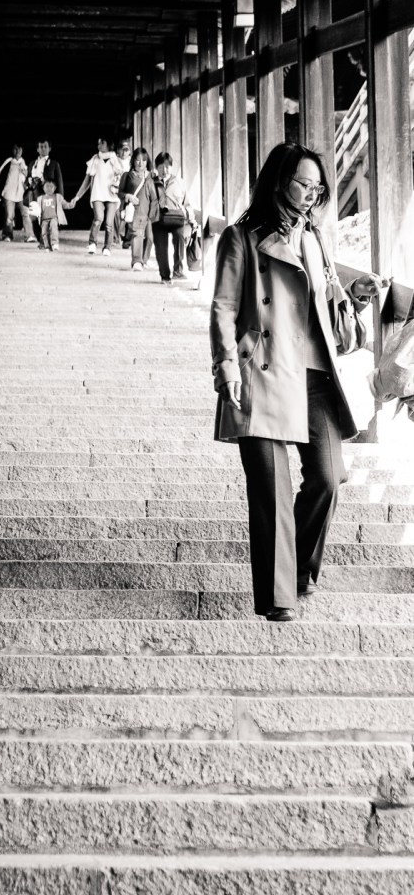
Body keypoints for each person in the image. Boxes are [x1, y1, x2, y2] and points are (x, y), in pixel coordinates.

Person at [210, 141, 387, 622]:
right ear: (277, 181)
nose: (311, 194)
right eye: (302, 183)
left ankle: (301, 569)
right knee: (270, 490)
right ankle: (278, 597)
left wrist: (352, 294)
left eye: (317, 186)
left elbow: (316, 304)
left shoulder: (313, 238)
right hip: (263, 375)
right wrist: (226, 367)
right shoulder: (242, 237)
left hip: (313, 376)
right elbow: (224, 307)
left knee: (330, 476)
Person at [71, 138, 123, 255]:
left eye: (102, 143)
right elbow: (87, 181)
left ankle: (107, 247)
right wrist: (77, 196)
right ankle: (92, 243)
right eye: (98, 142)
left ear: (109, 144)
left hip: (112, 195)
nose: (99, 145)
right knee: (98, 218)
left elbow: (124, 179)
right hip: (98, 193)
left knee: (109, 223)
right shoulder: (95, 159)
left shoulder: (116, 160)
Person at [151, 152, 193, 284]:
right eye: (161, 167)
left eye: (167, 167)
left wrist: (192, 220)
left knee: (180, 241)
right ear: (156, 167)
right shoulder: (151, 183)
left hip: (177, 218)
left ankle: (178, 271)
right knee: (161, 248)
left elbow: (187, 203)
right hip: (158, 219)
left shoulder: (179, 182)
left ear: (172, 167)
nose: (164, 170)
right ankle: (165, 275)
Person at [118, 147, 155, 271]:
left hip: (149, 211)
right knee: (137, 234)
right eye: (138, 160)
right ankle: (136, 261)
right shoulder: (127, 175)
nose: (141, 163)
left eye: (144, 161)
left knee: (150, 237)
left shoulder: (150, 176)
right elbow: (120, 193)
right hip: (135, 211)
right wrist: (127, 196)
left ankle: (144, 260)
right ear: (133, 160)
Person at [0, 145, 36, 242]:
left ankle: (30, 235)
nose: (17, 151)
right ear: (12, 150)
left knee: (26, 213)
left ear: (22, 150)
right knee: (9, 215)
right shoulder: (8, 162)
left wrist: (25, 173)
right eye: (15, 149)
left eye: (19, 149)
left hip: (21, 193)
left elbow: (30, 178)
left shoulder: (24, 163)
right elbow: (0, 177)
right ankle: (7, 235)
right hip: (9, 192)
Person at [25, 139, 65, 242]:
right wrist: (29, 181)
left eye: (45, 146)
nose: (43, 149)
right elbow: (26, 180)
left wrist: (60, 197)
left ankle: (47, 238)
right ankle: (40, 238)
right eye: (41, 147)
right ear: (37, 149)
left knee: (47, 217)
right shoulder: (32, 163)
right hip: (34, 193)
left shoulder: (54, 164)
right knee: (34, 216)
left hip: (48, 195)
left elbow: (59, 182)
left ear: (49, 149)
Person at [38, 179, 74, 251]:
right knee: (44, 232)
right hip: (44, 219)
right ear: (43, 188)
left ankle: (55, 243)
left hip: (53, 218)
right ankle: (47, 246)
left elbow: (64, 204)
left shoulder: (57, 197)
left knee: (53, 228)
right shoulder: (40, 198)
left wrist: (71, 205)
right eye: (47, 186)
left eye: (51, 186)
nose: (49, 188)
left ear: (55, 188)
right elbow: (37, 208)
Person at [113, 142, 132, 244]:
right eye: (122, 149)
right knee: (115, 212)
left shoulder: (132, 162)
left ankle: (125, 236)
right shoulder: (114, 160)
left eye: (127, 150)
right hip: (116, 189)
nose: (124, 152)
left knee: (126, 213)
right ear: (118, 150)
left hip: (128, 191)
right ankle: (116, 237)